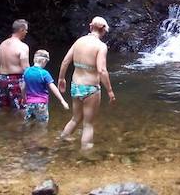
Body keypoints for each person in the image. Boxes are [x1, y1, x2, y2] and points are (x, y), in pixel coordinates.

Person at [58, 16, 116, 149]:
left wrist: (61, 79)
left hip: (75, 85)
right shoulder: (101, 46)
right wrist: (110, 91)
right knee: (88, 124)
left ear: (91, 27)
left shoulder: (79, 41)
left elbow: (65, 61)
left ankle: (61, 141)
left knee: (75, 118)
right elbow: (101, 70)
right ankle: (86, 152)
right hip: (90, 89)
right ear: (103, 30)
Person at [24, 49, 69, 122]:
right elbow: (53, 87)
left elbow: (23, 87)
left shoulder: (26, 71)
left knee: (29, 124)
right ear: (44, 61)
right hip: (41, 104)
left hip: (29, 103)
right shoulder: (44, 73)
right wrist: (62, 101)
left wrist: (24, 98)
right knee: (42, 125)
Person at [0, 19, 30, 110]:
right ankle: (19, 124)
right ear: (21, 30)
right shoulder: (22, 46)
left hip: (2, 79)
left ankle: (2, 124)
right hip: (16, 80)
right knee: (21, 108)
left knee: (2, 109)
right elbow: (26, 68)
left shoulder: (2, 44)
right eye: (26, 30)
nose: (26, 32)